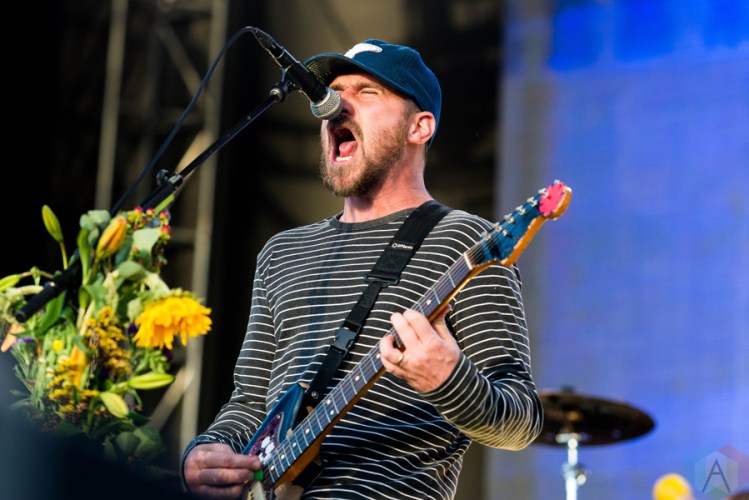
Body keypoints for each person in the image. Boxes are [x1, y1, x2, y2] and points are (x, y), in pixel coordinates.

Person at [181, 39, 543, 499]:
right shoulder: (282, 252)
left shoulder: (465, 242)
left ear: (419, 127)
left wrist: (449, 380)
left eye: (366, 92)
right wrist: (205, 452)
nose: (335, 106)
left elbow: (521, 419)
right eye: (332, 93)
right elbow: (251, 403)